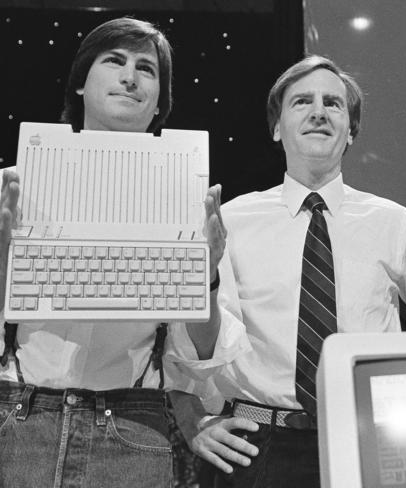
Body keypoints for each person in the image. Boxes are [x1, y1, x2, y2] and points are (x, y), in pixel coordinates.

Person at [0, 17, 247, 487]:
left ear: (159, 103)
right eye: (114, 61)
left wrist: (206, 278)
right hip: (17, 414)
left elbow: (203, 352)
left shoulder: (190, 202)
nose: (130, 77)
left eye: (146, 68)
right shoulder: (14, 188)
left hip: (132, 426)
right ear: (80, 84)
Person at [173, 55, 406, 487]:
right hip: (255, 445)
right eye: (302, 102)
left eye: (333, 103)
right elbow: (189, 348)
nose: (318, 112)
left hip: (370, 440)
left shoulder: (396, 223)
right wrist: (191, 421)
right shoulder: (231, 221)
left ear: (352, 130)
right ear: (277, 128)